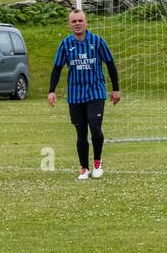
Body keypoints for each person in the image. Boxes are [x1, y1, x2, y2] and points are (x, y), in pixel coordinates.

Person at [48, 9, 120, 180]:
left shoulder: (98, 42)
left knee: (95, 128)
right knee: (81, 133)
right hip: (75, 95)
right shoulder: (65, 45)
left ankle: (97, 162)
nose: (77, 24)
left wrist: (116, 89)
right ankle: (84, 168)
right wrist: (51, 90)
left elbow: (110, 64)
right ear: (69, 24)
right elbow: (57, 69)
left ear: (86, 22)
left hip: (96, 92)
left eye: (80, 20)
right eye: (74, 21)